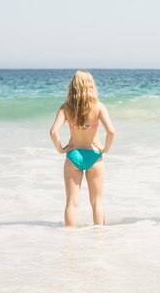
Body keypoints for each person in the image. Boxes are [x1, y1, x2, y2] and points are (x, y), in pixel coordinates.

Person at [50, 70, 115, 227]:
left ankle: (69, 240)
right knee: (97, 202)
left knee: (71, 203)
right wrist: (105, 148)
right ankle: (99, 238)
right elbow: (111, 132)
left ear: (73, 86)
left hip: (73, 156)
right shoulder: (98, 107)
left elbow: (53, 132)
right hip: (94, 155)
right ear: (90, 85)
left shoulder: (66, 108)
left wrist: (60, 148)